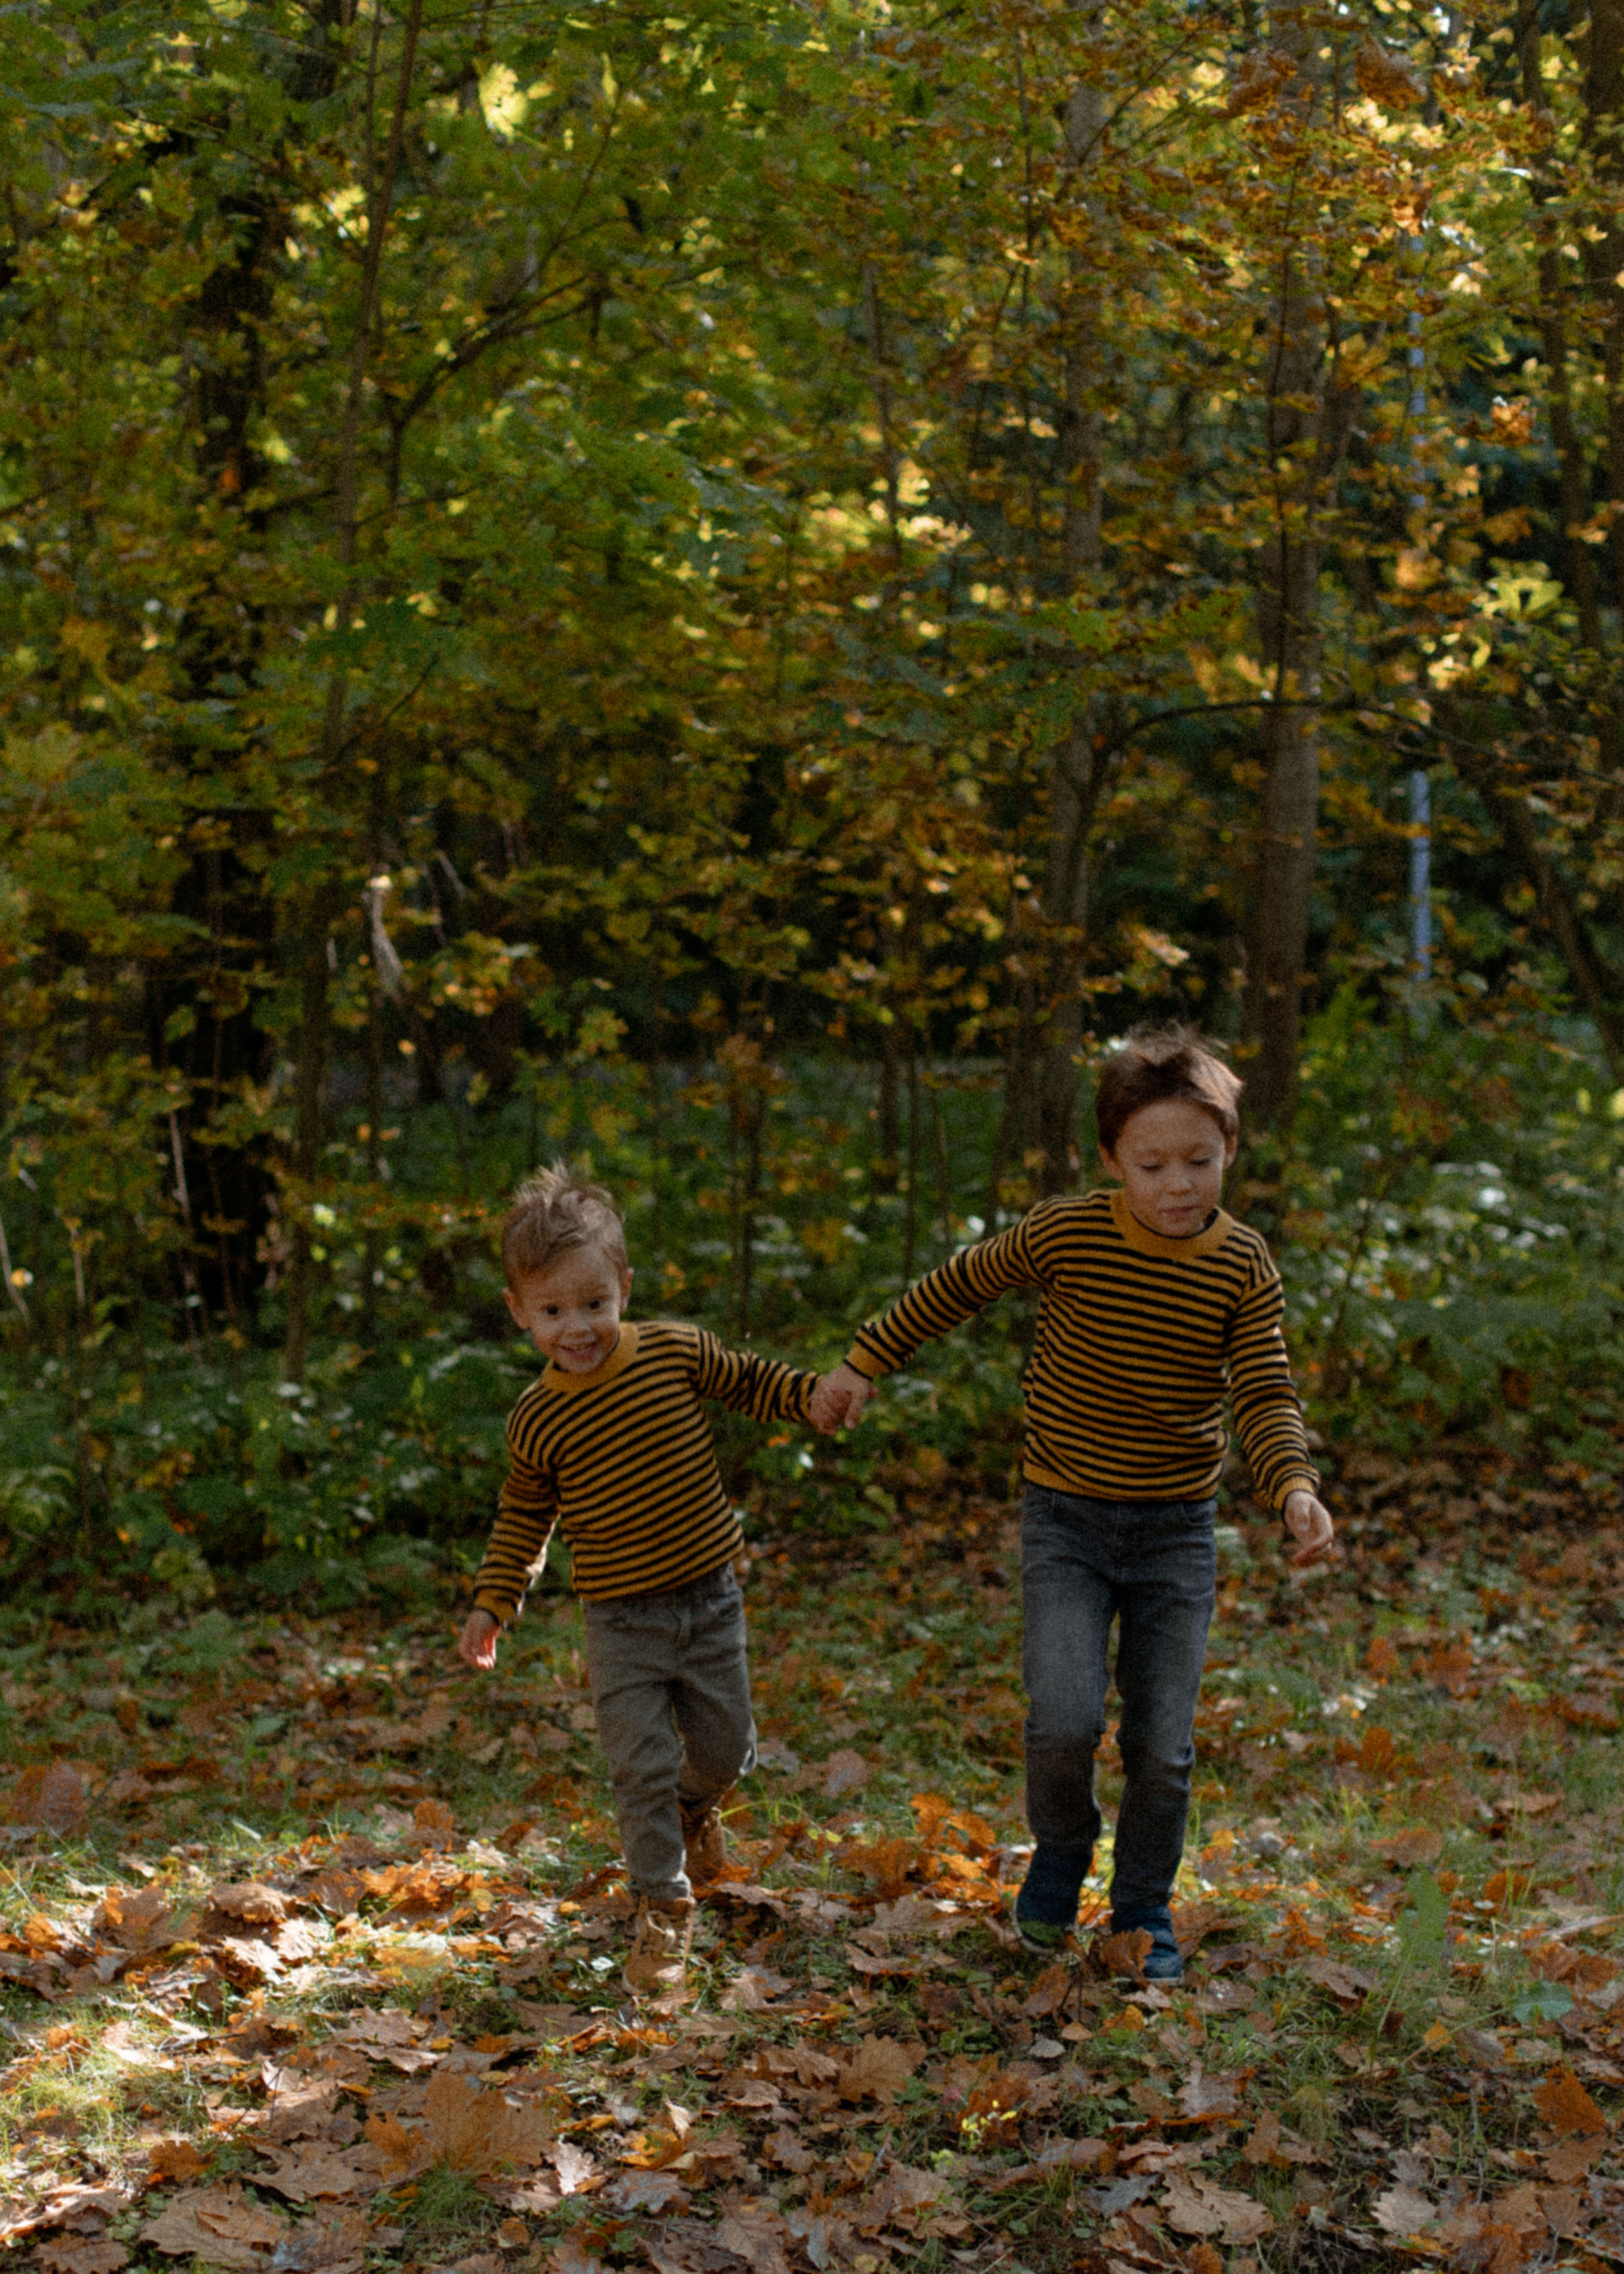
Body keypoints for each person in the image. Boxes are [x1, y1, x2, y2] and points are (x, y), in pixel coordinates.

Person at [809, 1027, 1334, 1979]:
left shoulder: (1242, 1262)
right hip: (1067, 1519)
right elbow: (955, 1287)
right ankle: (1061, 1849)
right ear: (1112, 1163)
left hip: (1175, 1531)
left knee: (1161, 1747)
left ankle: (1140, 1911)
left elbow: (1263, 1389)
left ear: (1230, 1153)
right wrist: (861, 1362)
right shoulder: (1068, 1232)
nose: (1179, 1185)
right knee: (1061, 1719)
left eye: (1200, 1162)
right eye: (1154, 1164)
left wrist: (1292, 1486)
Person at [457, 1163, 819, 1996]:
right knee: (639, 1766)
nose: (576, 1328)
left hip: (708, 1597)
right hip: (619, 1621)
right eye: (552, 1312)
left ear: (623, 1286)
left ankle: (699, 1804)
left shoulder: (672, 1353)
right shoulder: (538, 1418)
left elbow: (755, 1382)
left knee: (727, 1748)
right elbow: (524, 1517)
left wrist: (817, 1397)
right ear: (520, 1313)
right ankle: (663, 1911)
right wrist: (494, 1602)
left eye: (593, 1303)